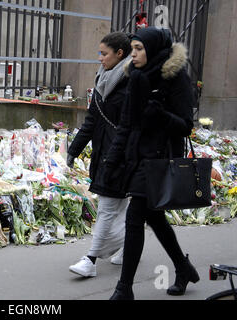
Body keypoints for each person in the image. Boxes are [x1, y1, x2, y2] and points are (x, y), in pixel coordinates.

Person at [104, 27, 199, 300]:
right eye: (132, 48)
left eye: (138, 49)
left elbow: (185, 126)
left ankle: (124, 289)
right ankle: (183, 266)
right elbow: (126, 123)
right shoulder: (135, 78)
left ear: (153, 50)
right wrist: (112, 161)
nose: (132, 55)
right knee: (154, 218)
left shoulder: (175, 77)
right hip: (137, 157)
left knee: (135, 216)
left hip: (161, 159)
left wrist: (160, 114)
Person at [67, 32, 132, 278]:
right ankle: (127, 246)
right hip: (104, 153)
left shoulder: (132, 83)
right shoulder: (102, 80)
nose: (100, 58)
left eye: (104, 54)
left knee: (106, 208)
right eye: (99, 53)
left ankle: (91, 260)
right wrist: (74, 149)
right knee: (120, 205)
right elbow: (92, 121)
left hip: (122, 156)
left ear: (120, 54)